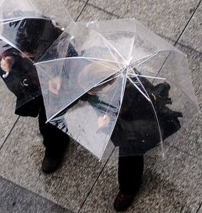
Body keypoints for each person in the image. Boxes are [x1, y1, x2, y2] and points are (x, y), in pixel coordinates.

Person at [76, 62, 182, 211]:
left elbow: (125, 134)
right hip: (126, 114)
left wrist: (106, 125)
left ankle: (128, 188)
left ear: (106, 87)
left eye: (91, 91)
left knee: (129, 155)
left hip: (142, 128)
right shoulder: (112, 75)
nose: (88, 94)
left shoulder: (132, 98)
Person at [0, 17, 76, 173]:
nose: (24, 56)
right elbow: (13, 81)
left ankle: (56, 146)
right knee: (47, 122)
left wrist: (59, 78)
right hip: (35, 92)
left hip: (56, 94)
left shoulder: (62, 48)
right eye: (22, 53)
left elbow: (76, 70)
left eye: (28, 54)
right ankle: (54, 145)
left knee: (51, 120)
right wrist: (8, 70)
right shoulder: (12, 47)